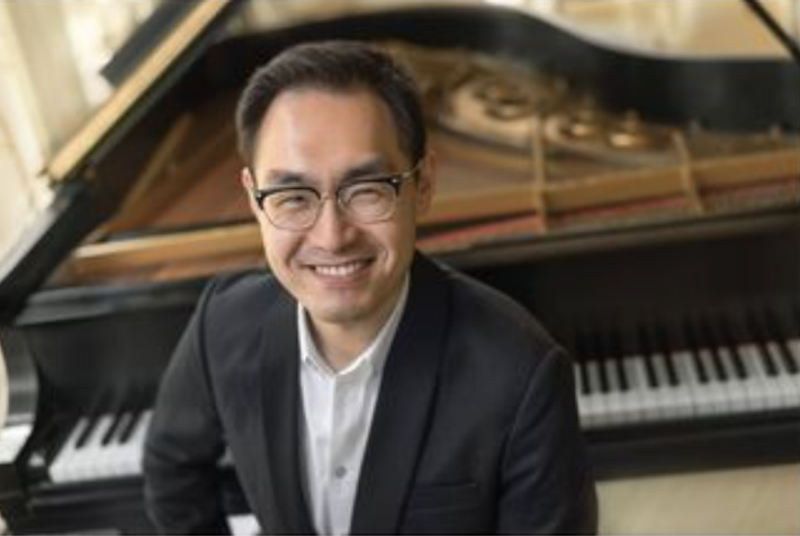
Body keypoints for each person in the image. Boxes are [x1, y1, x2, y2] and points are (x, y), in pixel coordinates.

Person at [143, 40, 597, 535]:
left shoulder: (521, 373)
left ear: (422, 186)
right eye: (293, 196)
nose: (332, 237)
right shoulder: (222, 324)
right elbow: (172, 469)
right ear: (254, 199)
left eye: (366, 190)